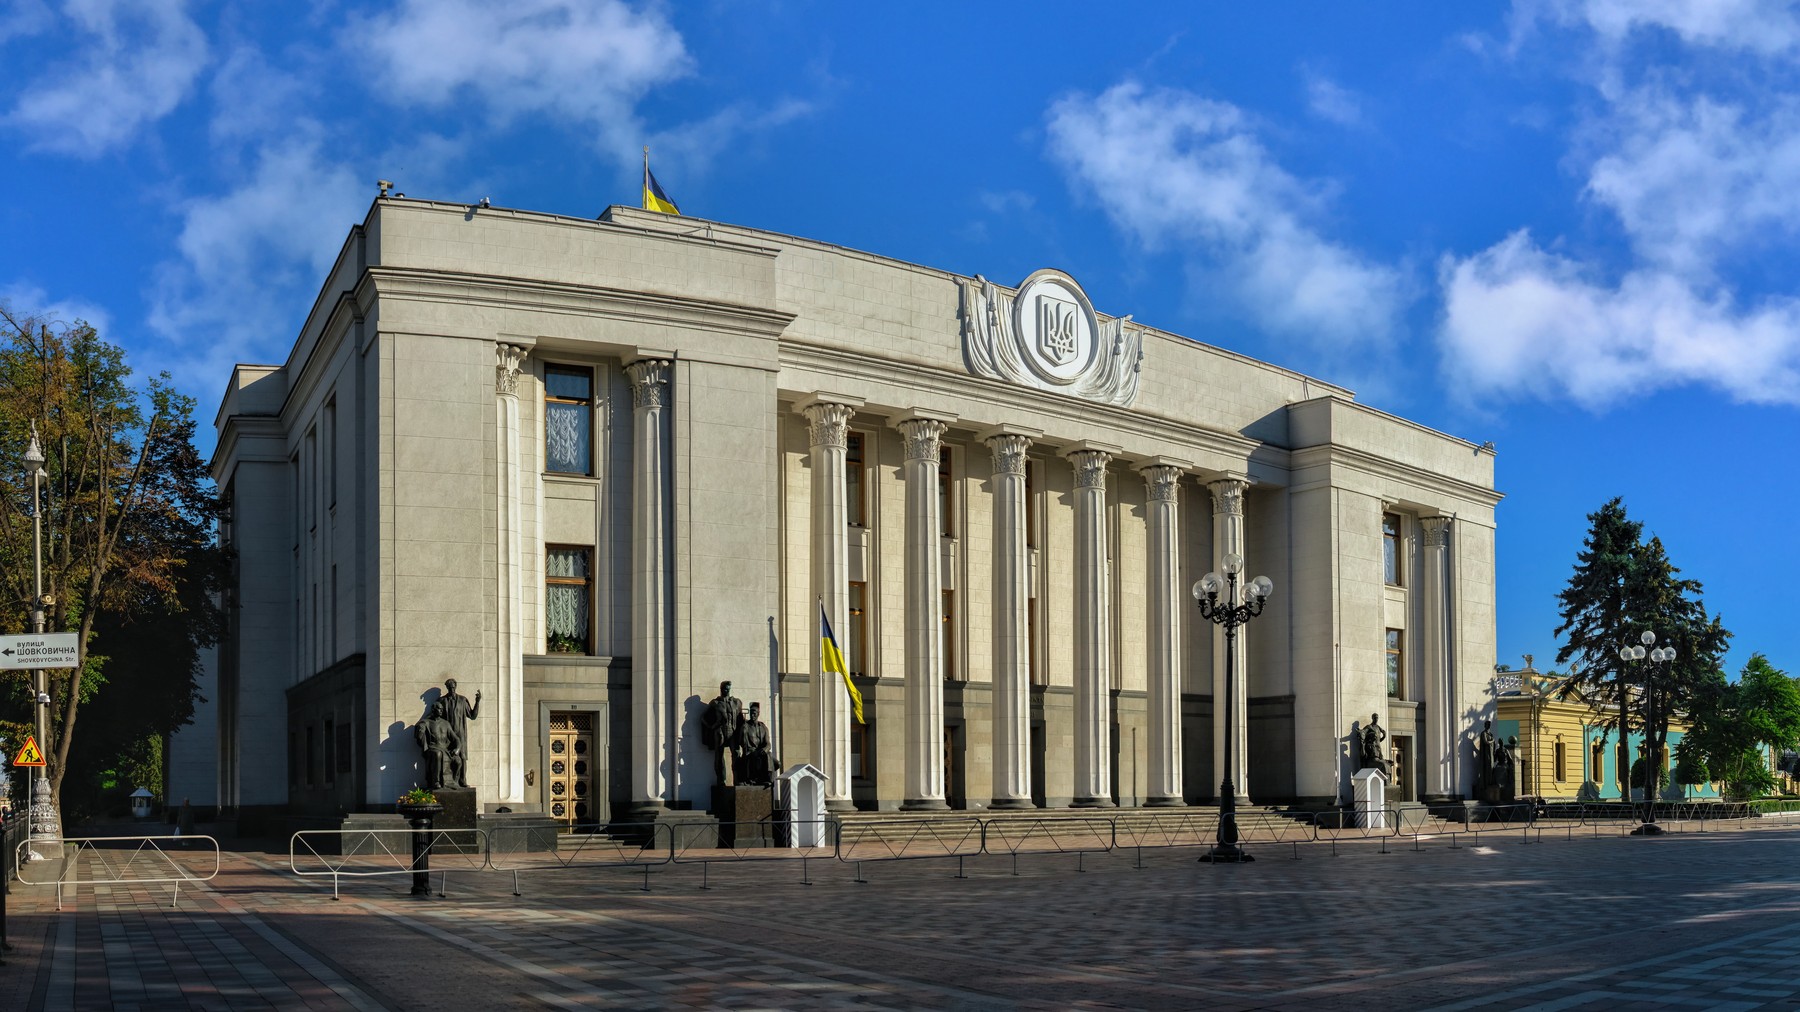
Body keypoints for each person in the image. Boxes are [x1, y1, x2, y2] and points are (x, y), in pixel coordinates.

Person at [432, 678, 480, 788]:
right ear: (447, 688)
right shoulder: (442, 701)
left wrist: (477, 702)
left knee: (462, 757)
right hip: (446, 735)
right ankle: (447, 781)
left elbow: (472, 715)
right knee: (447, 758)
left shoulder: (463, 700)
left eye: (453, 687)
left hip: (461, 734)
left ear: (456, 687)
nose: (451, 689)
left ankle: (462, 780)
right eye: (449, 687)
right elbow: (435, 715)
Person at [701, 681, 744, 786]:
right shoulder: (715, 703)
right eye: (725, 689)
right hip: (720, 731)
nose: (727, 691)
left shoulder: (736, 702)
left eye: (728, 689)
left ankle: (737, 780)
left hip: (733, 731)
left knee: (736, 754)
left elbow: (741, 719)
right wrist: (712, 726)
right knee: (719, 756)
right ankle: (721, 780)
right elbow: (703, 718)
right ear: (721, 689)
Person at [735, 702, 776, 785]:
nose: (752, 716)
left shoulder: (763, 727)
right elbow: (742, 743)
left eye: (754, 714)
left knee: (776, 762)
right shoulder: (745, 726)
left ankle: (766, 779)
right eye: (751, 714)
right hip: (750, 752)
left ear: (758, 714)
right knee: (767, 756)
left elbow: (768, 743)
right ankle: (766, 779)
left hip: (761, 752)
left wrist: (765, 749)